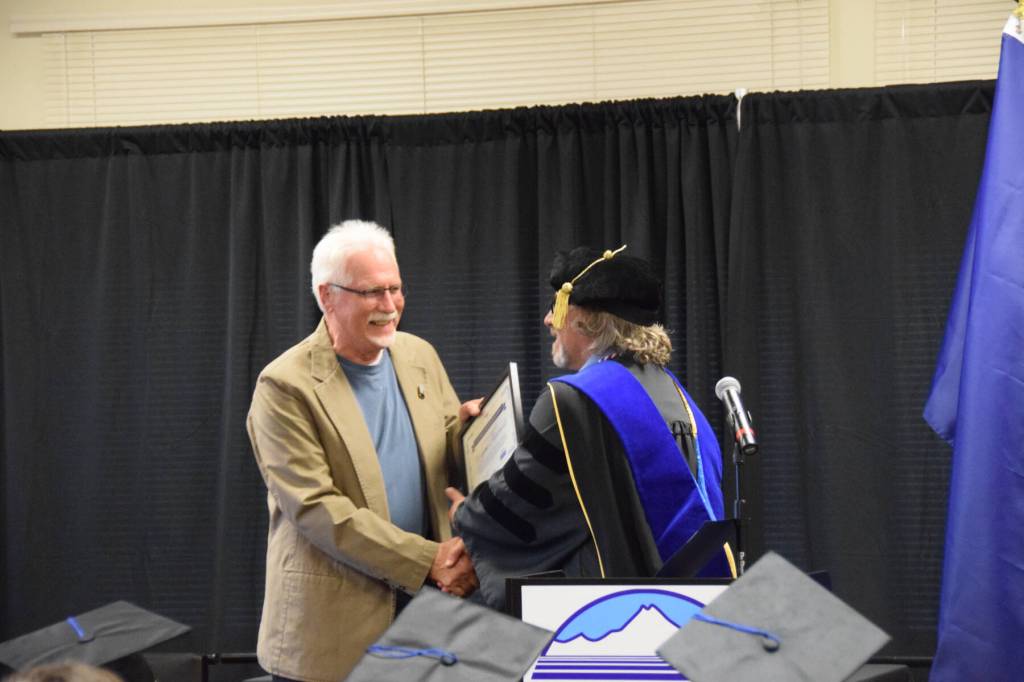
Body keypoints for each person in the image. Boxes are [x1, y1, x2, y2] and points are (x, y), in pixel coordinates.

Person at [247, 219, 479, 682]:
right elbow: (317, 510)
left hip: (426, 615)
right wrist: (428, 561)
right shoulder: (284, 386)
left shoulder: (419, 355)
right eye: (372, 292)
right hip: (331, 634)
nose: (390, 306)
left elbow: (442, 445)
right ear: (326, 296)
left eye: (395, 288)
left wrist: (472, 431)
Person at [446, 245, 731, 610]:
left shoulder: (572, 401)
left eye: (557, 308)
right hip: (680, 607)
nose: (548, 320)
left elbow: (520, 503)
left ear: (585, 318)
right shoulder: (676, 396)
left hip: (604, 615)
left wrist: (466, 516)